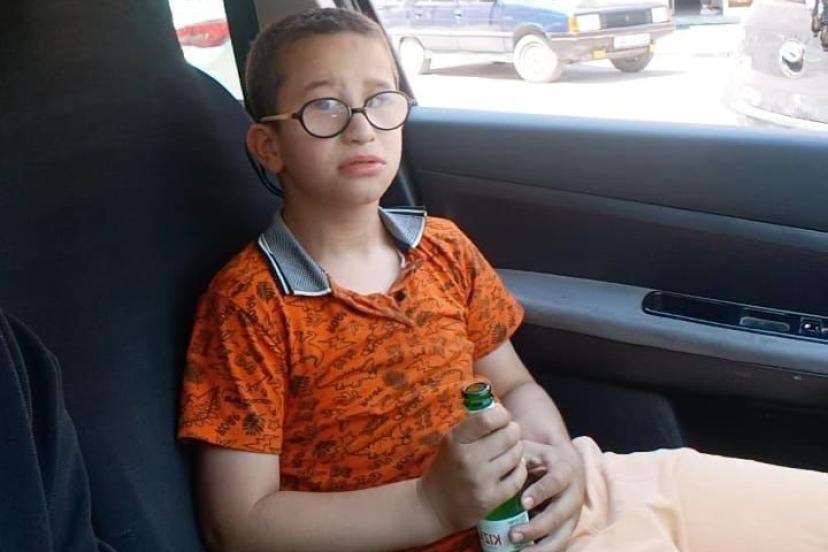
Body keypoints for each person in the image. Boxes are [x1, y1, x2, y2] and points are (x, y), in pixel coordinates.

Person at [177, 8, 828, 552]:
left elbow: (513, 384)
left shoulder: (443, 248)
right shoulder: (249, 306)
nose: (361, 126)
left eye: (380, 99)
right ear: (269, 147)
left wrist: (559, 457)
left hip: (561, 497)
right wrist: (430, 506)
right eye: (325, 106)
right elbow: (239, 523)